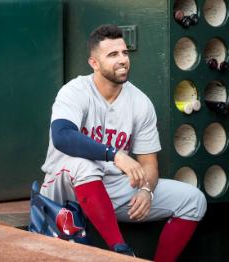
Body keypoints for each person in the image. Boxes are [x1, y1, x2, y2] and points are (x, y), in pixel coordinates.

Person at [40, 24, 207, 261]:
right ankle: (121, 250)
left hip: (110, 189)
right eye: (112, 54)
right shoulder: (75, 91)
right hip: (64, 188)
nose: (122, 60)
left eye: (124, 53)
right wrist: (115, 154)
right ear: (94, 63)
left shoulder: (140, 102)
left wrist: (147, 190)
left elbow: (149, 163)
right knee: (86, 165)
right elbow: (62, 136)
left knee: (194, 200)